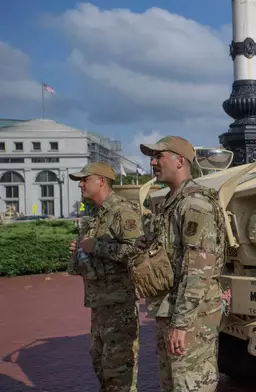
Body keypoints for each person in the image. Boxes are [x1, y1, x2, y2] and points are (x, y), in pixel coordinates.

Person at [139, 136, 226, 392]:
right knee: (173, 384)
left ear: (180, 161)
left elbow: (198, 270)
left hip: (191, 317)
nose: (152, 162)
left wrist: (181, 322)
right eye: (152, 157)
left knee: (190, 385)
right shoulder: (171, 203)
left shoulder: (195, 204)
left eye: (159, 156)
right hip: (171, 310)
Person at [67, 162, 143, 392]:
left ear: (101, 180)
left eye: (84, 179)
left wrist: (95, 247)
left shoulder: (123, 211)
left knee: (118, 374)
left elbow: (136, 252)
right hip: (100, 305)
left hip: (119, 305)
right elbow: (86, 258)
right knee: (101, 366)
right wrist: (78, 252)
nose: (80, 184)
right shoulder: (94, 215)